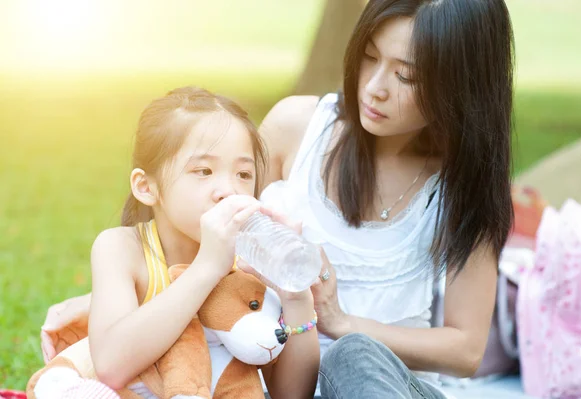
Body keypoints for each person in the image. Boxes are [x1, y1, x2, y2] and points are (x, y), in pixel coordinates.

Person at [41, 0, 515, 397]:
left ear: (460, 85)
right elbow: (197, 221)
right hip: (295, 378)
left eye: (406, 76)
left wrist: (339, 321)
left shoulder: (463, 189)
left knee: (353, 357)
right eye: (370, 57)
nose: (374, 86)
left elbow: (467, 350)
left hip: (386, 383)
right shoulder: (297, 127)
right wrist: (110, 300)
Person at [40, 87, 320, 399]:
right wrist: (208, 267)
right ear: (147, 187)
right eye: (204, 171)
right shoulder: (123, 249)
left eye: (243, 174)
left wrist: (296, 298)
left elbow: (292, 394)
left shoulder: (248, 261)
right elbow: (111, 365)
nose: (228, 189)